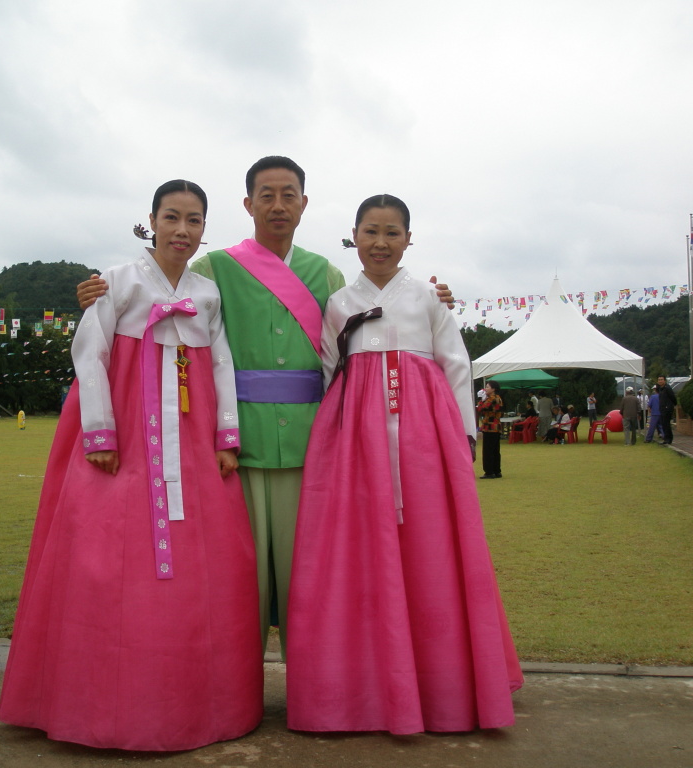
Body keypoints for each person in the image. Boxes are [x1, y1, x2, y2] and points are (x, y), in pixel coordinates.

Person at [76, 156, 456, 658]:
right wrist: (96, 293)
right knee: (238, 577)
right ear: (248, 203)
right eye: (267, 195)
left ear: (304, 203)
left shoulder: (326, 273)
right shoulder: (214, 269)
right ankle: (236, 686)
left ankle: (317, 685)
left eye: (289, 195)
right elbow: (159, 298)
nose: (278, 206)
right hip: (235, 445)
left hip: (311, 443)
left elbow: (362, 335)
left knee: (311, 574)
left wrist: (430, 297)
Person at [0, 180, 262, 751]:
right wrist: (99, 431)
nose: (182, 231)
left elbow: (221, 364)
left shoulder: (207, 294)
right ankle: (99, 701)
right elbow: (88, 354)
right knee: (107, 555)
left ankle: (196, 701)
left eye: (194, 221)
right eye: (172, 217)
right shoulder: (116, 282)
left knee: (206, 560)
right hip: (125, 434)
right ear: (151, 219)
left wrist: (226, 436)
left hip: (192, 443)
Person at [286, 194, 522, 734]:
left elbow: (455, 365)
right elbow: (328, 368)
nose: (381, 242)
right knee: (357, 549)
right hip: (355, 442)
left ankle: (445, 685)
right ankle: (363, 682)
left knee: (431, 546)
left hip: (423, 434)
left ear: (408, 240)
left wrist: (462, 437)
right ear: (354, 235)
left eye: (393, 232)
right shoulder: (341, 302)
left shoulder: (428, 299)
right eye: (371, 231)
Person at [478, 380, 504, 477]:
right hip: (496, 426)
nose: (486, 388)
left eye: (488, 387)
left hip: (489, 427)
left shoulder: (492, 398)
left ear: (493, 389)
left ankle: (489, 471)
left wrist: (481, 399)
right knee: (495, 450)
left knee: (488, 450)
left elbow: (481, 409)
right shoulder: (498, 398)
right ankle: (497, 470)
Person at [656, 375, 677, 444]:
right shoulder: (660, 389)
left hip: (667, 409)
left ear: (664, 380)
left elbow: (673, 397)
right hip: (662, 408)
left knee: (667, 424)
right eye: (659, 380)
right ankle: (666, 438)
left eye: (661, 379)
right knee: (663, 424)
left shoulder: (667, 388)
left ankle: (669, 439)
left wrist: (672, 405)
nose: (660, 381)